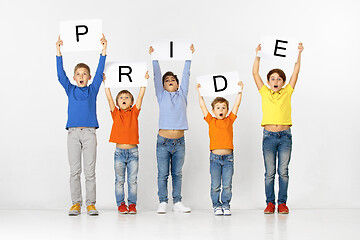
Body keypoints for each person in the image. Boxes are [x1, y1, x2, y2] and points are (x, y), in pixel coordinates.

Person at [56, 34, 107, 216]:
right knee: (75, 171)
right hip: (73, 134)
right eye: (78, 74)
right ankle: (76, 203)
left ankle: (91, 204)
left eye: (84, 74)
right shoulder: (70, 89)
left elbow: (101, 71)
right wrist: (58, 52)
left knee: (90, 171)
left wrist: (103, 51)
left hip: (90, 134)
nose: (81, 76)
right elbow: (60, 75)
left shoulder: (93, 90)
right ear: (74, 77)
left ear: (89, 76)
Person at [252, 42, 304, 214]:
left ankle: (282, 203)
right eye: (272, 78)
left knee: (283, 172)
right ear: (268, 82)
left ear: (283, 82)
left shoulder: (287, 92)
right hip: (268, 137)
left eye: (279, 79)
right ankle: (270, 203)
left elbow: (296, 71)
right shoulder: (264, 92)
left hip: (285, 137)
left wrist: (299, 53)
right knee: (269, 173)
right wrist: (258, 54)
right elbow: (254, 73)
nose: (276, 81)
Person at [148, 44, 195, 214]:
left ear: (177, 84)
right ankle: (162, 201)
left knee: (177, 173)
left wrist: (189, 56)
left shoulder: (182, 94)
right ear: (163, 85)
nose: (169, 81)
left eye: (172, 80)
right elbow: (156, 76)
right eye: (166, 80)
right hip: (163, 141)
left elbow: (186, 74)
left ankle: (177, 202)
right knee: (162, 174)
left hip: (179, 142)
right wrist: (154, 58)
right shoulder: (161, 95)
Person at [103, 72, 148, 214]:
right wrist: (106, 84)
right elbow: (109, 98)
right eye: (121, 97)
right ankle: (121, 204)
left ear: (131, 102)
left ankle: (132, 204)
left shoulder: (134, 112)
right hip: (119, 153)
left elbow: (141, 96)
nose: (124, 99)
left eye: (127, 97)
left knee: (132, 181)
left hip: (133, 152)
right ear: (117, 103)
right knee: (119, 180)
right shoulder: (115, 113)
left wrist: (143, 82)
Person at [196, 82, 243, 216]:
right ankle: (216, 205)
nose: (221, 110)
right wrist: (200, 92)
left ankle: (226, 204)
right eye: (218, 107)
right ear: (213, 111)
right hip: (215, 159)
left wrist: (240, 91)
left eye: (223, 107)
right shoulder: (211, 120)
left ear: (227, 110)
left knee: (227, 185)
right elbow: (202, 105)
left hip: (228, 158)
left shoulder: (230, 120)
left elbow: (237, 105)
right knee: (215, 185)